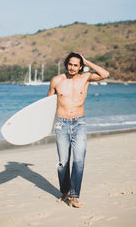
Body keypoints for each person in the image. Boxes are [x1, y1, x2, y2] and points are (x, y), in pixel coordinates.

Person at [47, 52, 109, 207]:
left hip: (79, 123)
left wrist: (87, 60)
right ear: (66, 64)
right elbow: (47, 105)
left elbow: (105, 74)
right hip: (61, 124)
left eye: (76, 65)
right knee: (63, 162)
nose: (72, 67)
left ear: (80, 66)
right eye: (70, 64)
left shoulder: (86, 77)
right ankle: (65, 191)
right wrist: (45, 128)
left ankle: (74, 196)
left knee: (79, 160)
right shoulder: (57, 80)